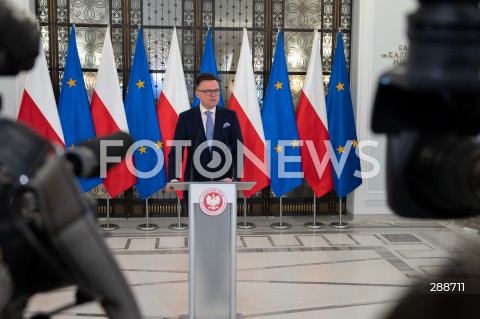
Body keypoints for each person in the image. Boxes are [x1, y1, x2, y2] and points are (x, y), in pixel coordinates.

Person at [165, 73, 243, 193]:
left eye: (216, 91)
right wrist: (173, 178)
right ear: (197, 93)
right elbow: (177, 150)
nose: (213, 95)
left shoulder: (230, 116)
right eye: (208, 91)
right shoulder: (186, 118)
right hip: (194, 181)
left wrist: (234, 177)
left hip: (224, 181)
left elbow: (238, 149)